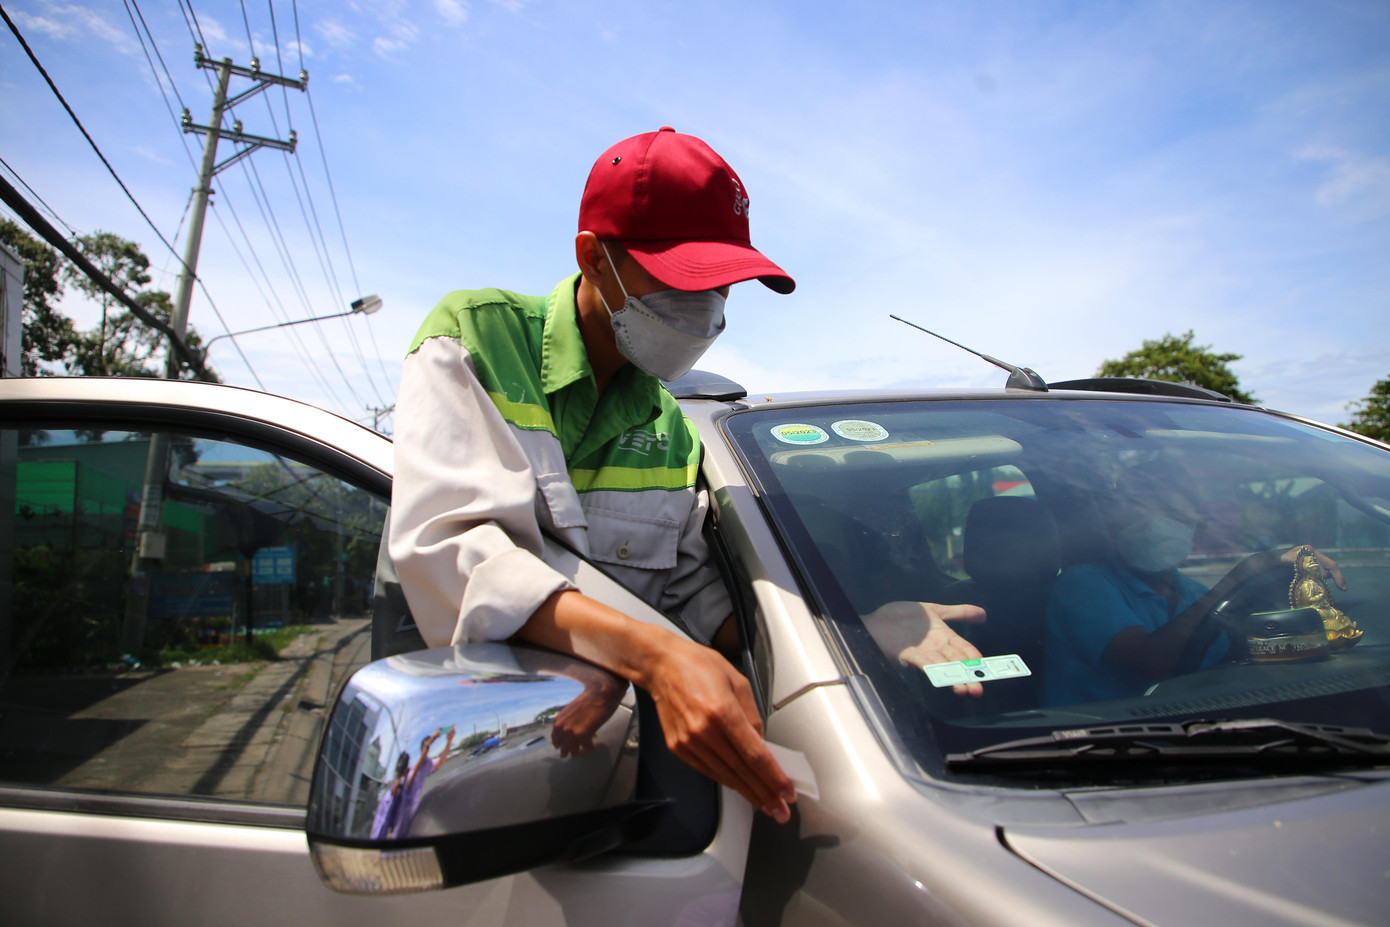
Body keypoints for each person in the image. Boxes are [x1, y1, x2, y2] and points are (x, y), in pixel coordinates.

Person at [390, 127, 984, 825]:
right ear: (594, 257)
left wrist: (858, 630)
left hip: (607, 774)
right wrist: (655, 658)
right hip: (474, 761)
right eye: (681, 280)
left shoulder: (670, 428)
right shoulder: (477, 339)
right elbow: (456, 557)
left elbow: (692, 598)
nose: (705, 311)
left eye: (721, 286)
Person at [1045, 461, 1344, 705]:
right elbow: (1154, 663)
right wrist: (1245, 572)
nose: (1154, 524)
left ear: (1196, 529)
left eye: (1173, 513)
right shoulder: (1081, 584)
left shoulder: (1196, 594)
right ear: (1112, 523)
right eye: (1137, 511)